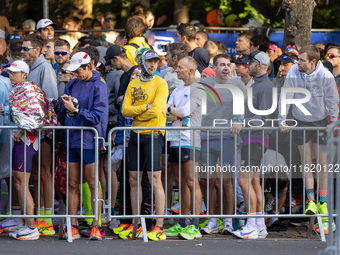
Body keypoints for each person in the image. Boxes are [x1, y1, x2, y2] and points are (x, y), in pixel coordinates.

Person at [278, 45, 339, 234]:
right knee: (306, 161)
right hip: (299, 119)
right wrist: (283, 119)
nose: (298, 63)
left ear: (313, 62)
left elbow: (332, 100)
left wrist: (334, 122)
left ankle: (322, 202)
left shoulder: (326, 76)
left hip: (320, 120)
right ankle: (311, 201)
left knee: (322, 163)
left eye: (302, 60)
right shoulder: (295, 71)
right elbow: (285, 96)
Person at [2, 60, 57, 240]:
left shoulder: (27, 88)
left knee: (21, 183)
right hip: (23, 139)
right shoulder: (20, 88)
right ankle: (24, 224)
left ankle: (31, 227)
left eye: (15, 72)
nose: (11, 75)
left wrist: (21, 130)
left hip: (27, 140)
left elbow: (37, 116)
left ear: (24, 74)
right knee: (19, 182)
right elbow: (24, 113)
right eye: (10, 72)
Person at [61, 51, 109, 240]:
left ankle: (96, 227)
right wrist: (68, 108)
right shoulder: (73, 83)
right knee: (72, 184)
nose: (76, 74)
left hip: (90, 140)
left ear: (89, 66)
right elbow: (67, 110)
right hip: (72, 139)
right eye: (74, 70)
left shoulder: (100, 86)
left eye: (78, 70)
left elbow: (97, 116)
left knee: (91, 183)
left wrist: (76, 110)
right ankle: (72, 226)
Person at [121, 49, 168, 241]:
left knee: (155, 180)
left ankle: (159, 226)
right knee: (134, 180)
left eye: (155, 61)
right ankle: (136, 223)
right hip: (135, 135)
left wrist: (137, 113)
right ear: (142, 62)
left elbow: (156, 111)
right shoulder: (133, 82)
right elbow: (124, 110)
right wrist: (144, 108)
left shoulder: (161, 83)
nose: (152, 65)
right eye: (149, 61)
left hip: (153, 134)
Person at [198, 54, 247, 235]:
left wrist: (239, 121)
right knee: (208, 181)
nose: (226, 68)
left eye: (228, 65)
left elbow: (242, 107)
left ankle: (228, 220)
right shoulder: (205, 84)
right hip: (206, 138)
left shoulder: (237, 85)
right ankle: (212, 220)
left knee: (227, 181)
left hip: (227, 139)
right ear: (215, 67)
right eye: (222, 65)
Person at [231, 51, 274, 239]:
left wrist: (243, 124)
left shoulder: (265, 86)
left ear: (260, 65)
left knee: (243, 180)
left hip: (257, 138)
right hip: (253, 138)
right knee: (254, 182)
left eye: (251, 63)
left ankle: (251, 224)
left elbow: (264, 116)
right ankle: (259, 225)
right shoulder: (257, 84)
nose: (247, 66)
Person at [164, 57, 204, 240]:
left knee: (191, 181)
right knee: (180, 183)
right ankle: (182, 222)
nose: (176, 70)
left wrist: (176, 112)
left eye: (179, 67)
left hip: (190, 138)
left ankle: (194, 225)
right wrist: (176, 112)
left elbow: (183, 112)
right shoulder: (177, 89)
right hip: (174, 138)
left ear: (190, 70)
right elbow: (165, 112)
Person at [54, 39, 71, 111]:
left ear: (69, 54)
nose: (60, 55)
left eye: (63, 53)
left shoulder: (70, 68)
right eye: (57, 53)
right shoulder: (54, 68)